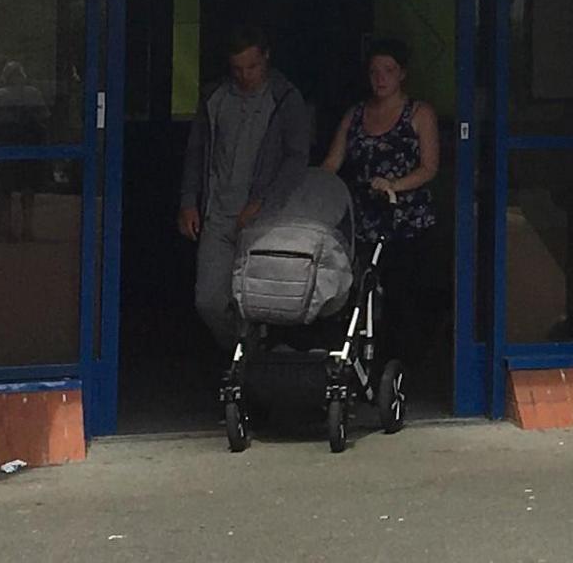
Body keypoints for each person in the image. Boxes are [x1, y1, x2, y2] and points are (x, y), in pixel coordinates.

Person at [180, 28, 315, 342]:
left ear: (266, 57)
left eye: (252, 67)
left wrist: (263, 202)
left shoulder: (284, 98)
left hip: (266, 219)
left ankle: (252, 365)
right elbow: (196, 151)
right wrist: (189, 200)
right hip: (217, 214)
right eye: (237, 69)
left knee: (261, 300)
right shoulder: (214, 97)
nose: (245, 75)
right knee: (209, 301)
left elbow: (296, 158)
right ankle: (242, 353)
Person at [319, 37, 444, 248]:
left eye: (389, 70)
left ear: (402, 74)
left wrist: (393, 186)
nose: (380, 78)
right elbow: (332, 162)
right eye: (374, 72)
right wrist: (311, 185)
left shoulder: (420, 113)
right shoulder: (355, 114)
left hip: (408, 223)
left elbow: (429, 168)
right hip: (361, 223)